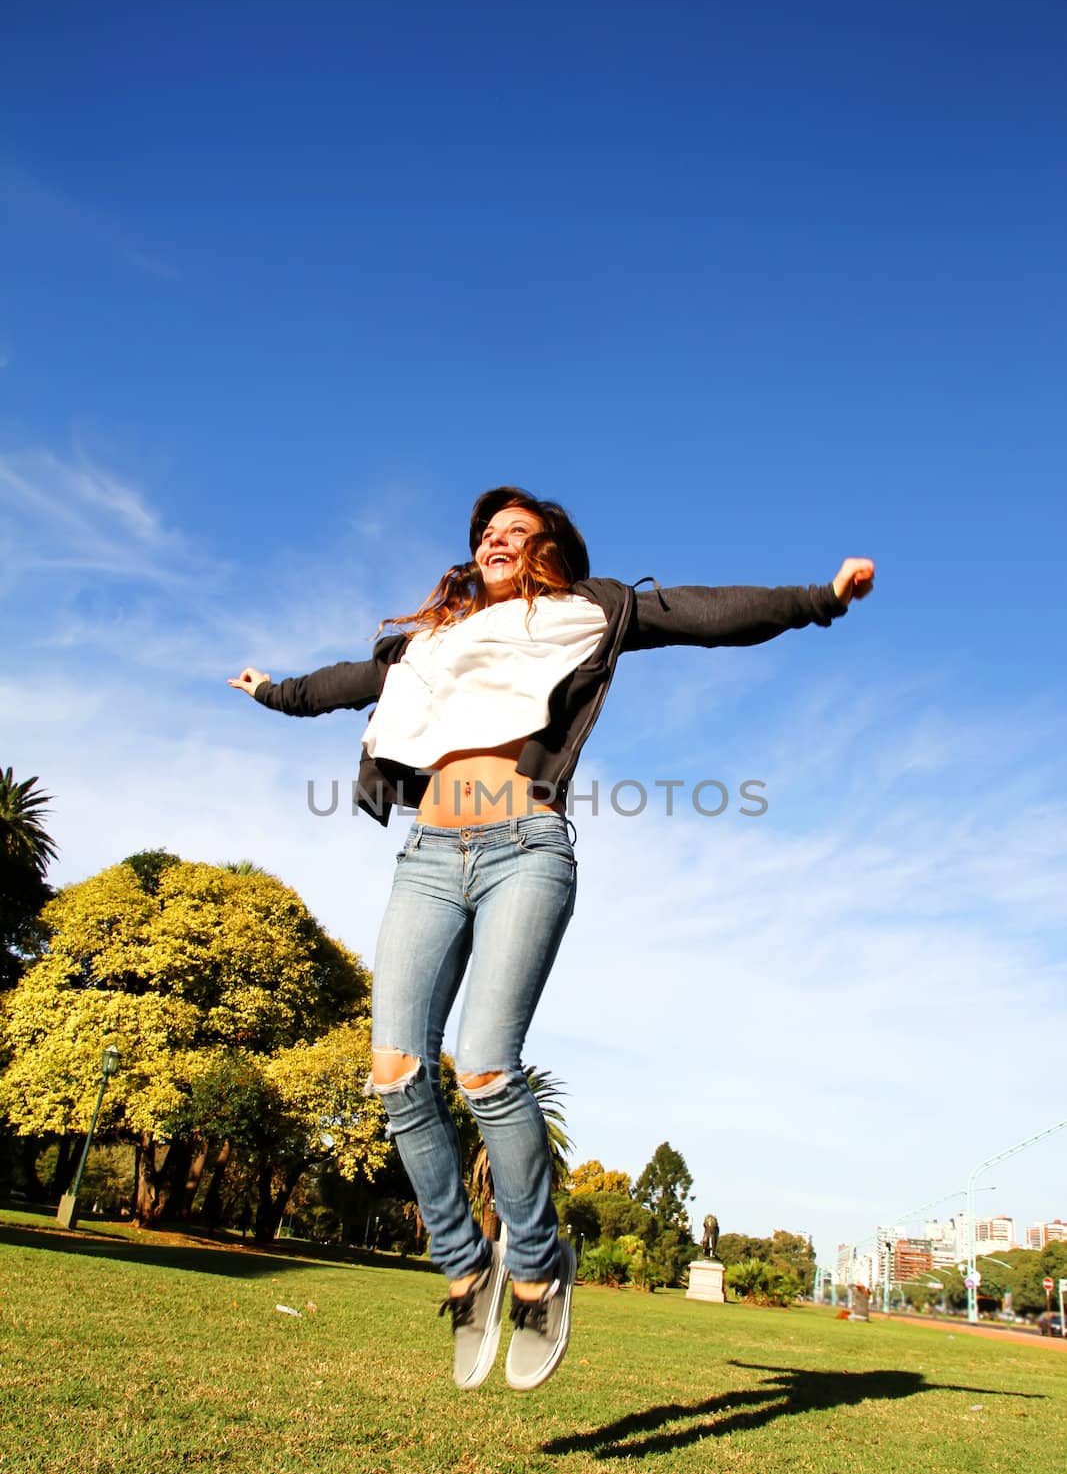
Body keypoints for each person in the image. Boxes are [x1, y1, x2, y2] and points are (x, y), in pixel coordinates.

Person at [228, 485, 874, 1392]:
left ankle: (535, 1268)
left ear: (548, 551)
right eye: (485, 533)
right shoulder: (432, 641)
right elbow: (342, 684)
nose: (494, 542)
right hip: (427, 855)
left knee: (485, 1066)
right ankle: (463, 1267)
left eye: (514, 533)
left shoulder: (587, 614)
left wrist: (818, 601)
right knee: (394, 1071)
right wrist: (274, 693)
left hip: (524, 848)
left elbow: (702, 615)